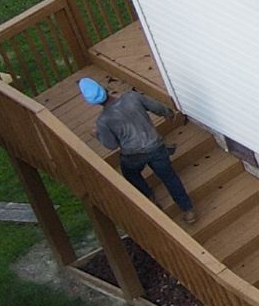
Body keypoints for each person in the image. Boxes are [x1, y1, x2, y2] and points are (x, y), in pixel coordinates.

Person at [81, 76, 195, 216]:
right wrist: (167, 113)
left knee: (131, 174)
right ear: (104, 88)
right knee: (170, 178)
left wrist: (97, 135)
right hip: (156, 146)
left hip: (133, 155)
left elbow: (111, 145)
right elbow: (157, 107)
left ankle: (150, 198)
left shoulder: (103, 122)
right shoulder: (132, 97)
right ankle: (188, 210)